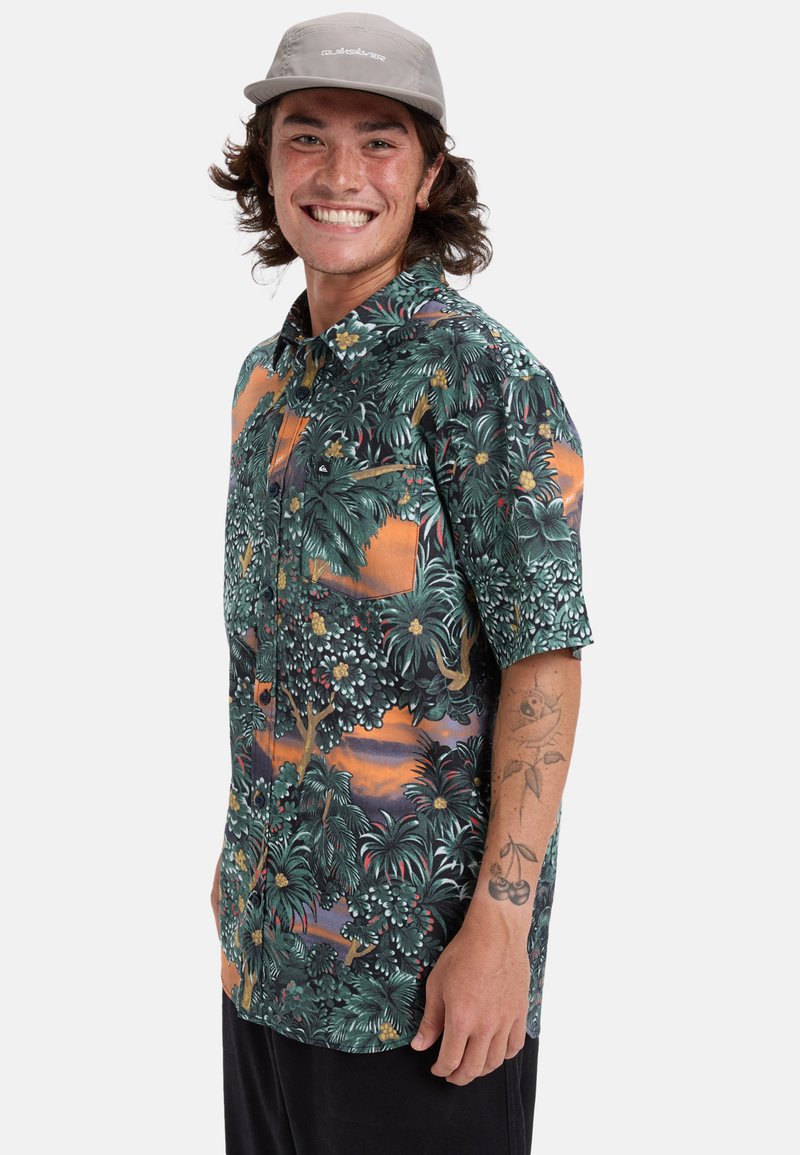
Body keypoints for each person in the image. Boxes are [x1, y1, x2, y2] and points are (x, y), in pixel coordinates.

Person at [208, 12, 594, 1154]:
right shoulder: (265, 382)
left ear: (428, 177)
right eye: (306, 136)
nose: (340, 175)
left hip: (418, 984)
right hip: (268, 949)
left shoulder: (481, 376)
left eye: (379, 142)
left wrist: (500, 933)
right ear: (265, 165)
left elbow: (543, 660)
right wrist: (242, 862)